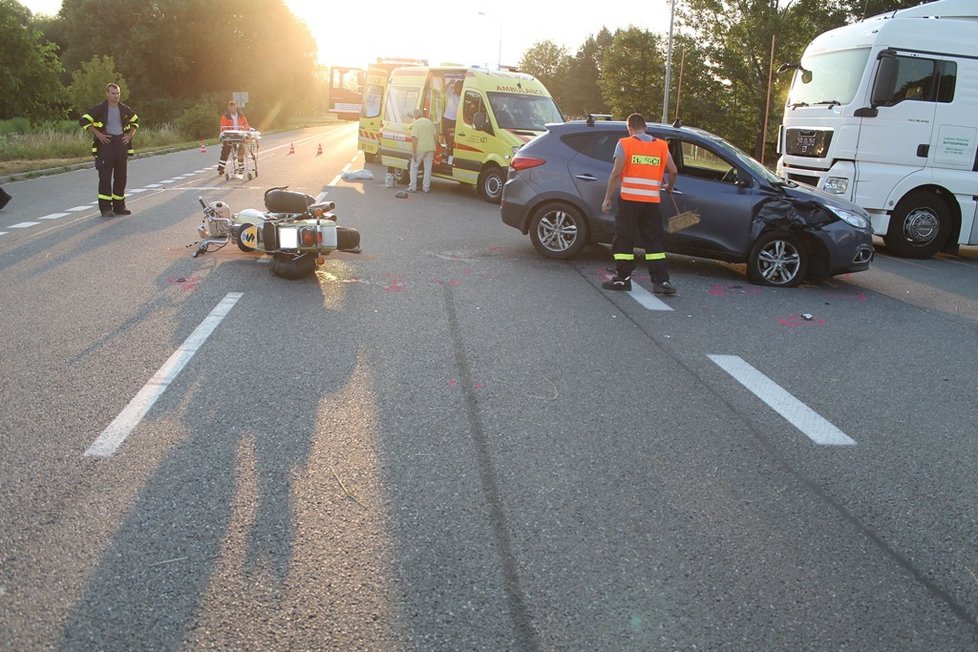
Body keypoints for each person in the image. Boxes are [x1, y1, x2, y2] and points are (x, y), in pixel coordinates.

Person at [601, 112, 679, 295]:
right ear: (646, 127)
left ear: (629, 128)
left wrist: (607, 198)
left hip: (629, 201)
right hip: (651, 202)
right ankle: (661, 282)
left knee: (624, 239)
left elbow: (615, 173)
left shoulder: (625, 144)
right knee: (654, 241)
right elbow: (673, 170)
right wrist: (669, 186)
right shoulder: (661, 146)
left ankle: (623, 279)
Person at [79, 83, 139, 217]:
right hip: (105, 145)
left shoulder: (124, 109)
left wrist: (129, 135)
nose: (116, 96)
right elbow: (84, 121)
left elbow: (136, 121)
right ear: (107, 93)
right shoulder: (100, 109)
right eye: (113, 93)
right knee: (105, 177)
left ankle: (119, 207)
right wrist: (98, 134)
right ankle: (106, 208)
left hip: (120, 145)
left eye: (117, 93)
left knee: (121, 177)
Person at [217, 100, 251, 176]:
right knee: (225, 150)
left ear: (236, 107)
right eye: (231, 108)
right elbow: (223, 127)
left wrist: (245, 129)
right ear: (228, 108)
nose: (232, 110)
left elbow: (246, 124)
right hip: (230, 136)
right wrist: (228, 134)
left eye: (233, 108)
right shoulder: (225, 117)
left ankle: (241, 167)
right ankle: (221, 168)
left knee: (241, 149)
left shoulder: (241, 116)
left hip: (240, 135)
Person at [409, 108, 437, 193]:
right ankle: (426, 188)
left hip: (420, 148)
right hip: (430, 147)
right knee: (428, 168)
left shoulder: (416, 123)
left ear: (415, 116)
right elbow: (435, 136)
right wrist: (434, 147)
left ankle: (412, 187)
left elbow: (414, 139)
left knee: (414, 166)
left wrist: (413, 152)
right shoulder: (429, 122)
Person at [442, 79, 459, 160]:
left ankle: (450, 156)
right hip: (448, 120)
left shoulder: (461, 96)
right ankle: (449, 156)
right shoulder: (451, 94)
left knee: (453, 140)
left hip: (455, 121)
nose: (457, 89)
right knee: (449, 140)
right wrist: (449, 82)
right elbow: (444, 89)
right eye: (457, 87)